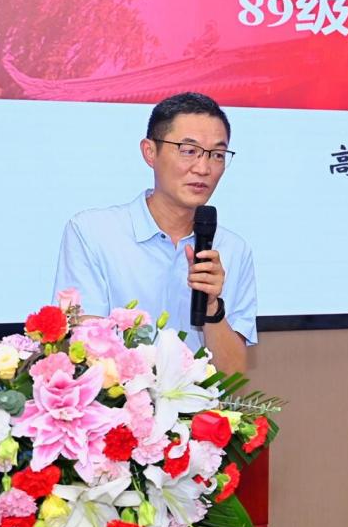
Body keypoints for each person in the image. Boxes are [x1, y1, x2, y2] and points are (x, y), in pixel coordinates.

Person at [53, 92, 255, 373]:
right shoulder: (92, 233)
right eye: (189, 151)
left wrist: (212, 307)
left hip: (201, 402)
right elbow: (82, 352)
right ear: (150, 152)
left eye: (217, 155)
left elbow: (233, 375)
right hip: (121, 400)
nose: (203, 168)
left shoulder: (233, 249)